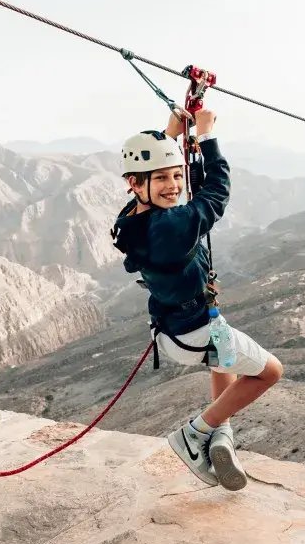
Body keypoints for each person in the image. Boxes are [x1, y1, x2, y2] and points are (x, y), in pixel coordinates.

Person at [110, 107, 283, 490]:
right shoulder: (171, 225)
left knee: (224, 365)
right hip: (197, 331)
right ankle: (196, 433)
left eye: (176, 175)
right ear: (135, 183)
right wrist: (206, 136)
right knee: (270, 372)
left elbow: (156, 177)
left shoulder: (131, 219)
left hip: (173, 330)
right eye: (163, 178)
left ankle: (221, 435)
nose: (174, 185)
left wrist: (170, 135)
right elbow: (216, 192)